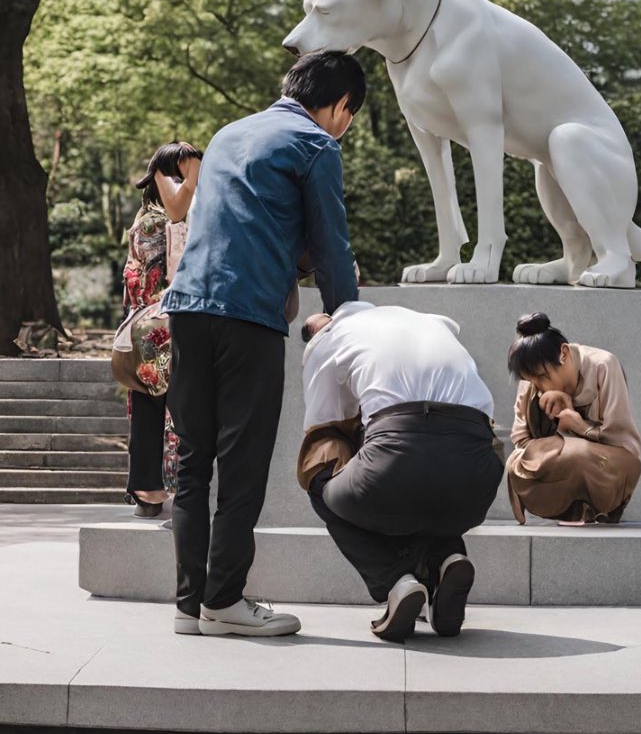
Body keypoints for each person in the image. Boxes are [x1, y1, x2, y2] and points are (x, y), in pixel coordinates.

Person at [162, 51, 365, 638]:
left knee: (195, 464)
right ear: (341, 106)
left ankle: (188, 604)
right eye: (348, 115)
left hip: (187, 307)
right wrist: (348, 315)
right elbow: (329, 243)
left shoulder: (229, 133)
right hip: (247, 314)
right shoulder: (317, 145)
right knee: (242, 465)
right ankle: (224, 602)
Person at [299, 302, 503, 642]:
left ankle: (395, 583)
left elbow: (324, 427)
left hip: (398, 455)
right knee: (420, 483)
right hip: (477, 476)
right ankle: (445, 559)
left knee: (321, 475)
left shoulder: (330, 339)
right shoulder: (427, 323)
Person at [121, 141, 202, 517]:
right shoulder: (159, 221)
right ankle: (156, 490)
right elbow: (164, 278)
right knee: (168, 409)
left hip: (147, 327)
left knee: (150, 407)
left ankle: (147, 492)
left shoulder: (147, 218)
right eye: (184, 172)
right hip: (162, 328)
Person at [505, 312, 641, 526]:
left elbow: (623, 442)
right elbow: (521, 441)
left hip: (611, 464)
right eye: (530, 380)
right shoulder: (531, 383)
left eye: (542, 376)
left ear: (564, 353)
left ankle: (593, 508)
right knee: (517, 461)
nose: (538, 386)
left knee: (576, 454)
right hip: (548, 462)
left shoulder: (603, 366)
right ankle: (568, 510)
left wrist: (580, 426)